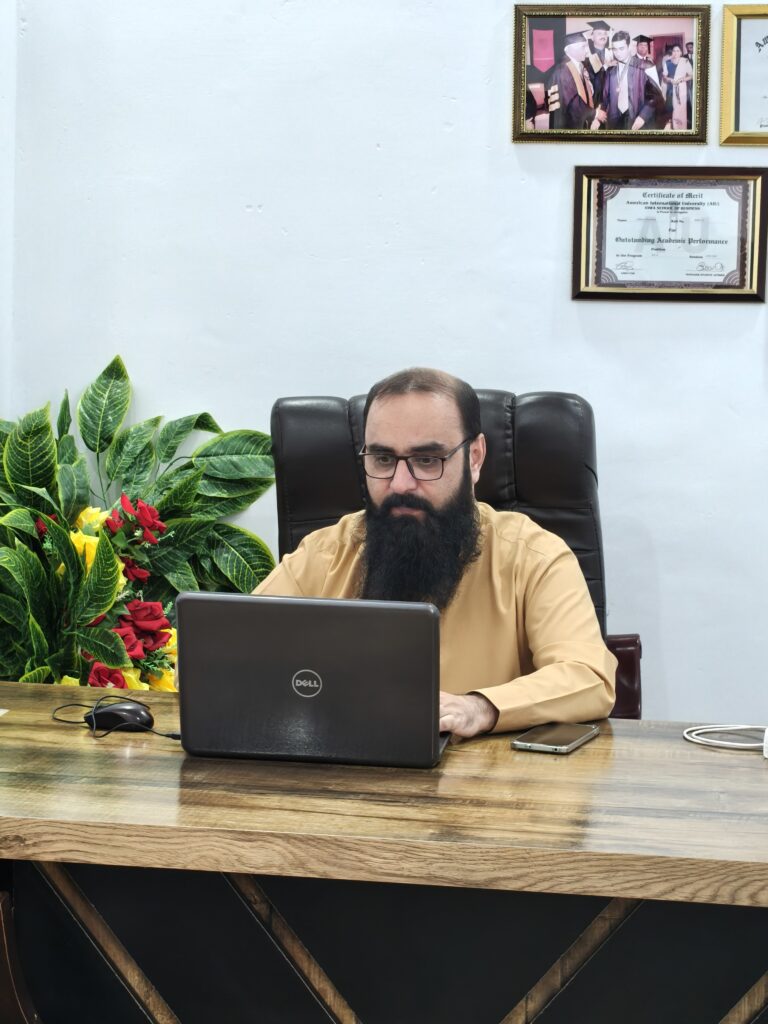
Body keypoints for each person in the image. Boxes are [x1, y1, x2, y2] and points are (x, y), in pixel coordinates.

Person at [254, 368, 617, 738]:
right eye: (382, 459)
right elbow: (231, 652)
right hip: (340, 764)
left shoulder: (534, 556)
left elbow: (588, 677)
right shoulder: (325, 554)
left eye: (427, 460)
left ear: (475, 457)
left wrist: (480, 708)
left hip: (484, 771)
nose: (400, 484)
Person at [598, 30, 665, 130]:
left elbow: (656, 96)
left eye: (621, 48)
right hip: (615, 120)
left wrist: (643, 116)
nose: (618, 53)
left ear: (629, 47)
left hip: (637, 118)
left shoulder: (646, 66)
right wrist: (600, 114)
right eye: (615, 49)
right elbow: (605, 97)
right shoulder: (610, 71)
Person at [547, 31, 597, 130]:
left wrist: (587, 81)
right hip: (567, 124)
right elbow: (572, 103)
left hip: (578, 120)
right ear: (570, 49)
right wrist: (595, 114)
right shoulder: (562, 70)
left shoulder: (579, 65)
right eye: (583, 47)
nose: (587, 51)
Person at [661, 43, 693, 129]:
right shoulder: (667, 62)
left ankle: (681, 128)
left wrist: (682, 79)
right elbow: (664, 77)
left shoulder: (685, 61)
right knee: (670, 108)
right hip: (670, 89)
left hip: (682, 89)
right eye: (674, 51)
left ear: (681, 52)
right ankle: (671, 128)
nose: (675, 53)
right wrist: (669, 80)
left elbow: (691, 75)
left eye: (678, 51)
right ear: (672, 52)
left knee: (681, 109)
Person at [585, 19, 612, 106]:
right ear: (592, 37)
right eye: (599, 33)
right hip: (593, 100)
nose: (603, 36)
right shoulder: (586, 55)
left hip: (610, 100)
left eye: (605, 34)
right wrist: (606, 66)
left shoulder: (612, 54)